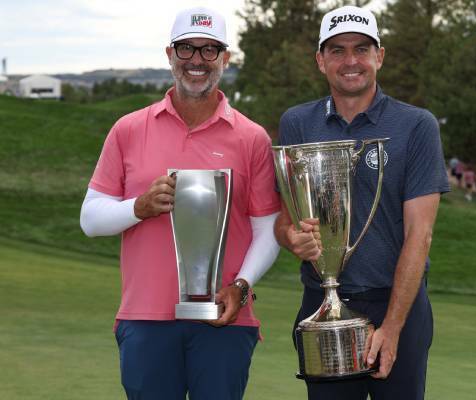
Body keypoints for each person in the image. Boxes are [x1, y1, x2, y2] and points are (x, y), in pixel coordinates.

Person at [79, 7, 281, 400]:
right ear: (170, 54)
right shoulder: (128, 129)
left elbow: (267, 229)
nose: (197, 61)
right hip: (145, 317)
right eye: (187, 49)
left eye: (209, 51)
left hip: (226, 317)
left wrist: (242, 286)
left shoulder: (252, 137)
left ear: (225, 58)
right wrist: (138, 207)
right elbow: (90, 218)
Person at [274, 6, 450, 399]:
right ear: (321, 60)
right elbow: (284, 221)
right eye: (337, 50)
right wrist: (292, 238)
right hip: (322, 303)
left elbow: (419, 236)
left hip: (397, 303)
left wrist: (391, 327)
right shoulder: (297, 123)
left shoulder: (416, 125)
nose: (350, 61)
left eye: (361, 49)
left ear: (379, 56)